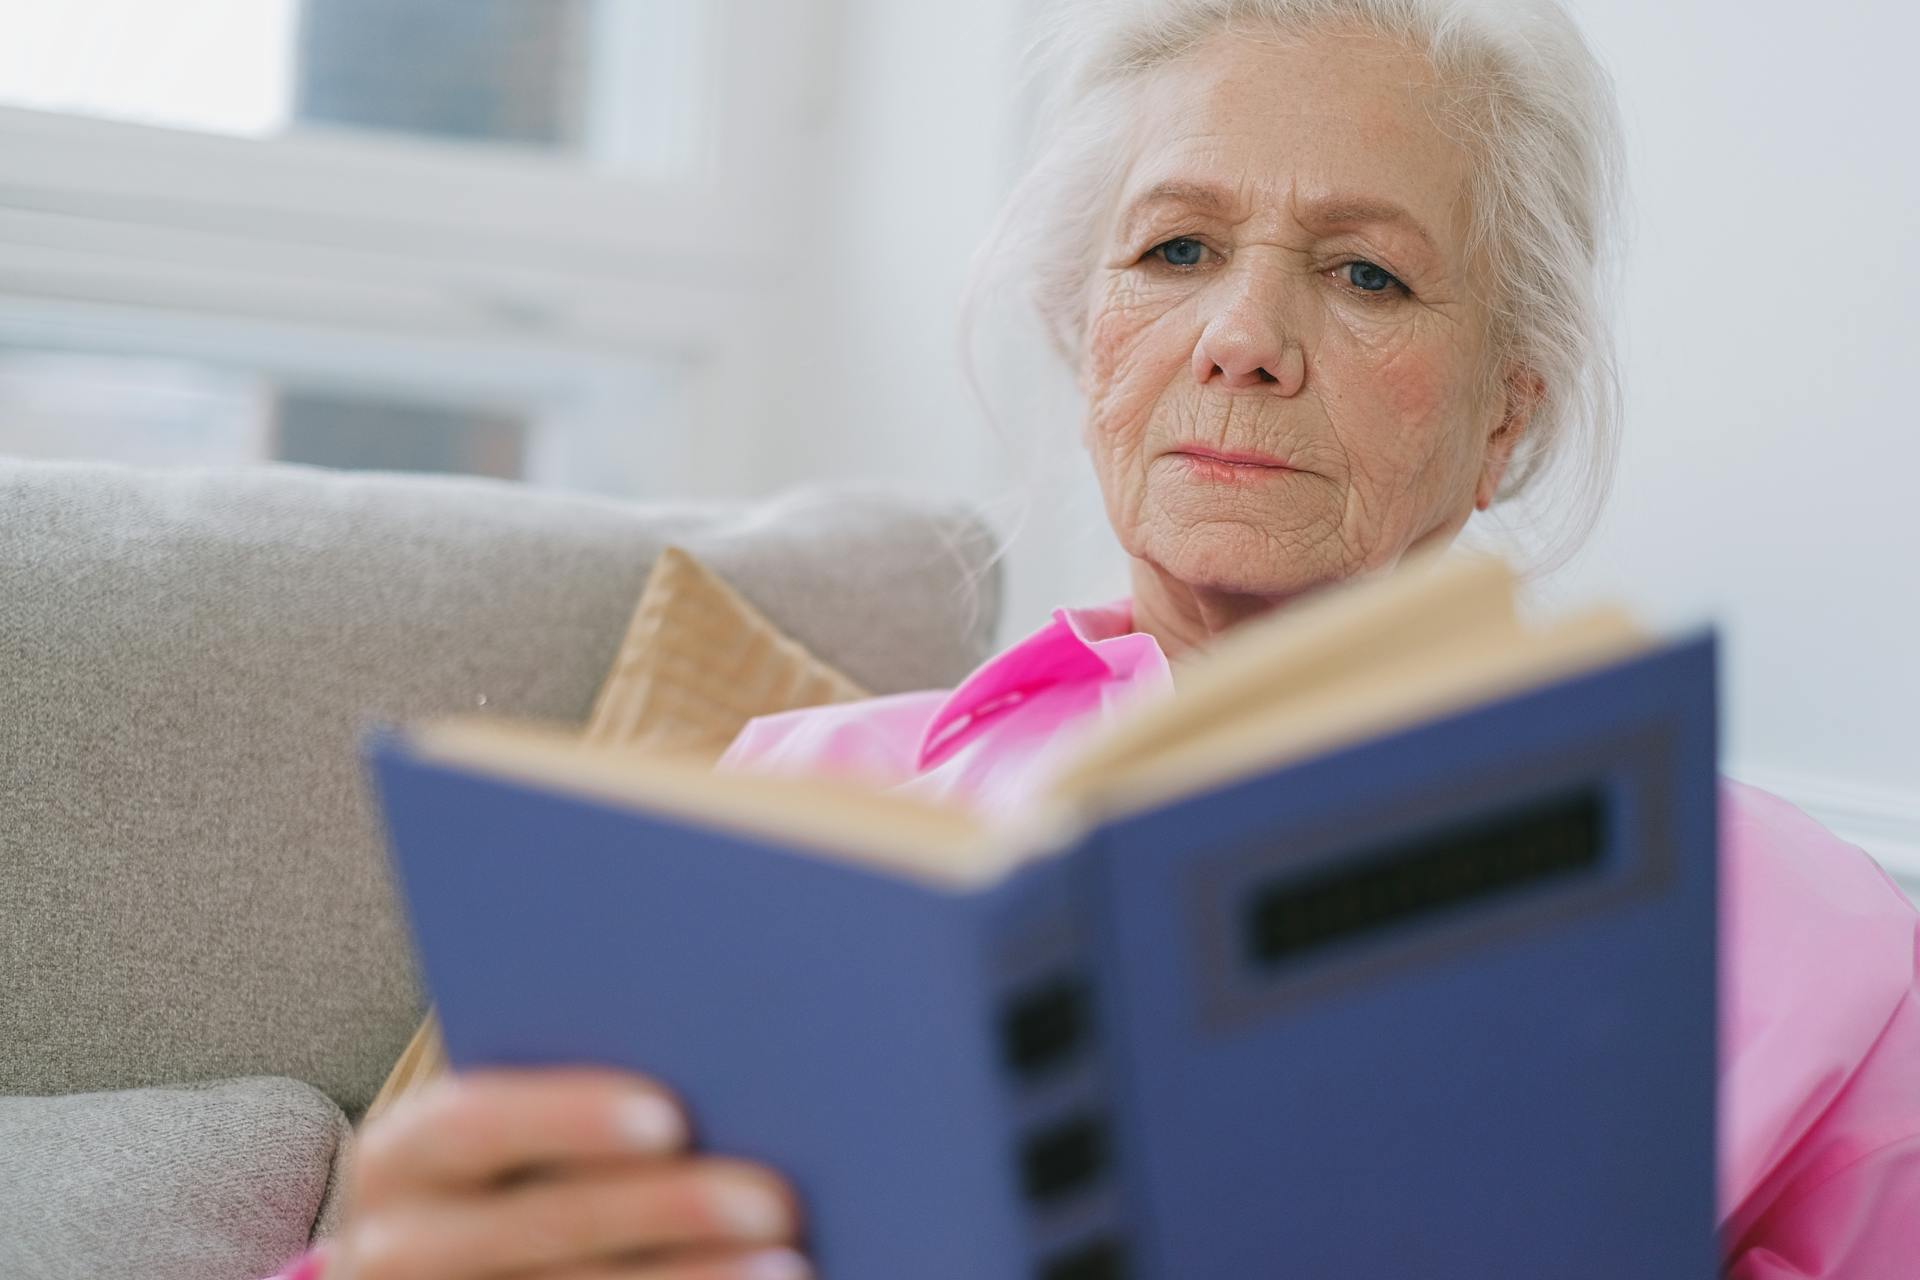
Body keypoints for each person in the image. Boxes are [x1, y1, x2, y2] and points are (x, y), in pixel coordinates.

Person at [302, 1, 1920, 1276]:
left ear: (1507, 419)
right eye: (1176, 250)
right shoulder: (786, 802)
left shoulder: (1821, 957)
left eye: (1364, 273)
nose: (1241, 340)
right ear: (1092, 340)